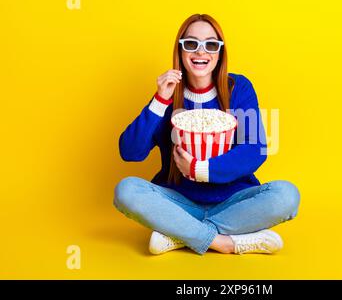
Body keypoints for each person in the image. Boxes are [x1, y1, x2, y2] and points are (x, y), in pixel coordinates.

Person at [114, 14, 301, 255]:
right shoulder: (169, 95)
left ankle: (181, 235)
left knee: (286, 196)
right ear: (180, 51)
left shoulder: (239, 88)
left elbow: (254, 149)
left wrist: (198, 169)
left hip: (233, 202)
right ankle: (224, 242)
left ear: (220, 52)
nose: (201, 52)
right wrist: (160, 100)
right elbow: (130, 151)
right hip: (179, 203)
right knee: (126, 190)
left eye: (211, 45)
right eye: (191, 44)